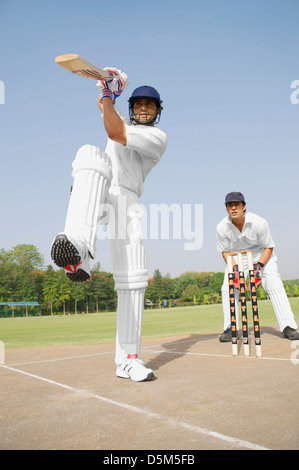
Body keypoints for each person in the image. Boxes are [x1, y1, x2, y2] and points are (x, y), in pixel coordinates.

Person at [51, 69, 167, 382]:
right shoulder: (119, 119)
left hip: (126, 201)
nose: (144, 109)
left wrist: (107, 93)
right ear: (132, 108)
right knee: (90, 154)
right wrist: (112, 90)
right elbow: (107, 114)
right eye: (139, 104)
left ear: (157, 112)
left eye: (150, 106)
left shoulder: (157, 137)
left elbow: (114, 131)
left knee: (132, 279)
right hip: (100, 191)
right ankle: (79, 249)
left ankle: (128, 360)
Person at [216, 191, 299, 342]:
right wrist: (235, 270)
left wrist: (259, 267)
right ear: (226, 208)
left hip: (261, 254)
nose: (233, 208)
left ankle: (288, 326)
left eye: (237, 205)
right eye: (230, 205)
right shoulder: (221, 227)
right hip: (237, 256)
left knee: (274, 284)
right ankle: (230, 327)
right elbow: (225, 252)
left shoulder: (259, 222)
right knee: (228, 287)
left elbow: (269, 247)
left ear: (244, 207)